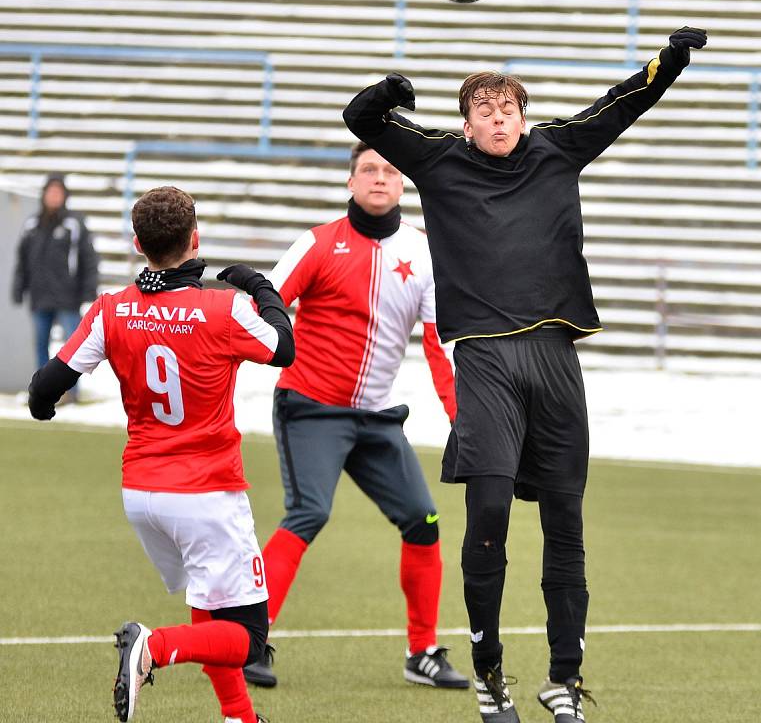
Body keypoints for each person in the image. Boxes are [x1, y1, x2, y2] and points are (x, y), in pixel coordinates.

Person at [343, 27, 708, 723]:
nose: (498, 116)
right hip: (483, 357)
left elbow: (621, 103)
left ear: (521, 112)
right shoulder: (437, 159)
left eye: (506, 105)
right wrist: (392, 92)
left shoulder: (554, 146)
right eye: (483, 107)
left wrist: (670, 57)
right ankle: (488, 674)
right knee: (488, 512)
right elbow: (359, 119)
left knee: (566, 523)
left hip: (554, 357)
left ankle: (562, 680)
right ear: (465, 122)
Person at [27, 186, 295, 723]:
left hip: (142, 493)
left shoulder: (112, 309)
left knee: (208, 600)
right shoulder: (222, 308)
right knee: (248, 638)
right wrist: (258, 283)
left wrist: (45, 409)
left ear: (137, 244)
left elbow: (43, 389)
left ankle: (239, 716)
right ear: (194, 240)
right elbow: (283, 347)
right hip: (206, 492)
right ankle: (154, 647)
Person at [242, 141, 468, 691]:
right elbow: (260, 313)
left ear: (402, 184)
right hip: (311, 410)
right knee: (308, 514)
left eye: (390, 170)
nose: (379, 177)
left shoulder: (424, 253)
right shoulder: (317, 243)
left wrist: (464, 420)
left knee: (424, 521)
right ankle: (249, 639)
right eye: (368, 168)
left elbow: (440, 346)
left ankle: (423, 653)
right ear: (351, 182)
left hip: (376, 420)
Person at [12, 173, 99, 398]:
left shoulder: (74, 224)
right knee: (41, 345)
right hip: (39, 297)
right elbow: (22, 259)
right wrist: (19, 287)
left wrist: (89, 289)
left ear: (64, 196)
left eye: (58, 192)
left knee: (72, 348)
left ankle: (72, 392)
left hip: (67, 298)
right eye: (50, 192)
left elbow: (88, 257)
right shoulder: (31, 224)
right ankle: (44, 391)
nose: (54, 196)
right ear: (44, 195)